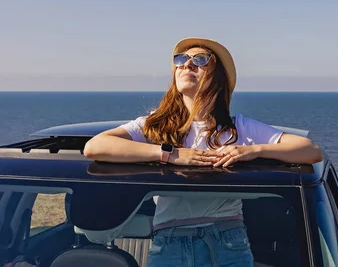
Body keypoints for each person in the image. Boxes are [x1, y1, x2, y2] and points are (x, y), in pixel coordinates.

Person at [83, 37, 323, 267]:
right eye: (181, 59)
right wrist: (171, 155)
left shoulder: (238, 127)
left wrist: (252, 150)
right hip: (170, 241)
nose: (187, 64)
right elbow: (95, 147)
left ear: (217, 78)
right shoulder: (154, 127)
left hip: (227, 239)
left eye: (200, 59)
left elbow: (310, 151)